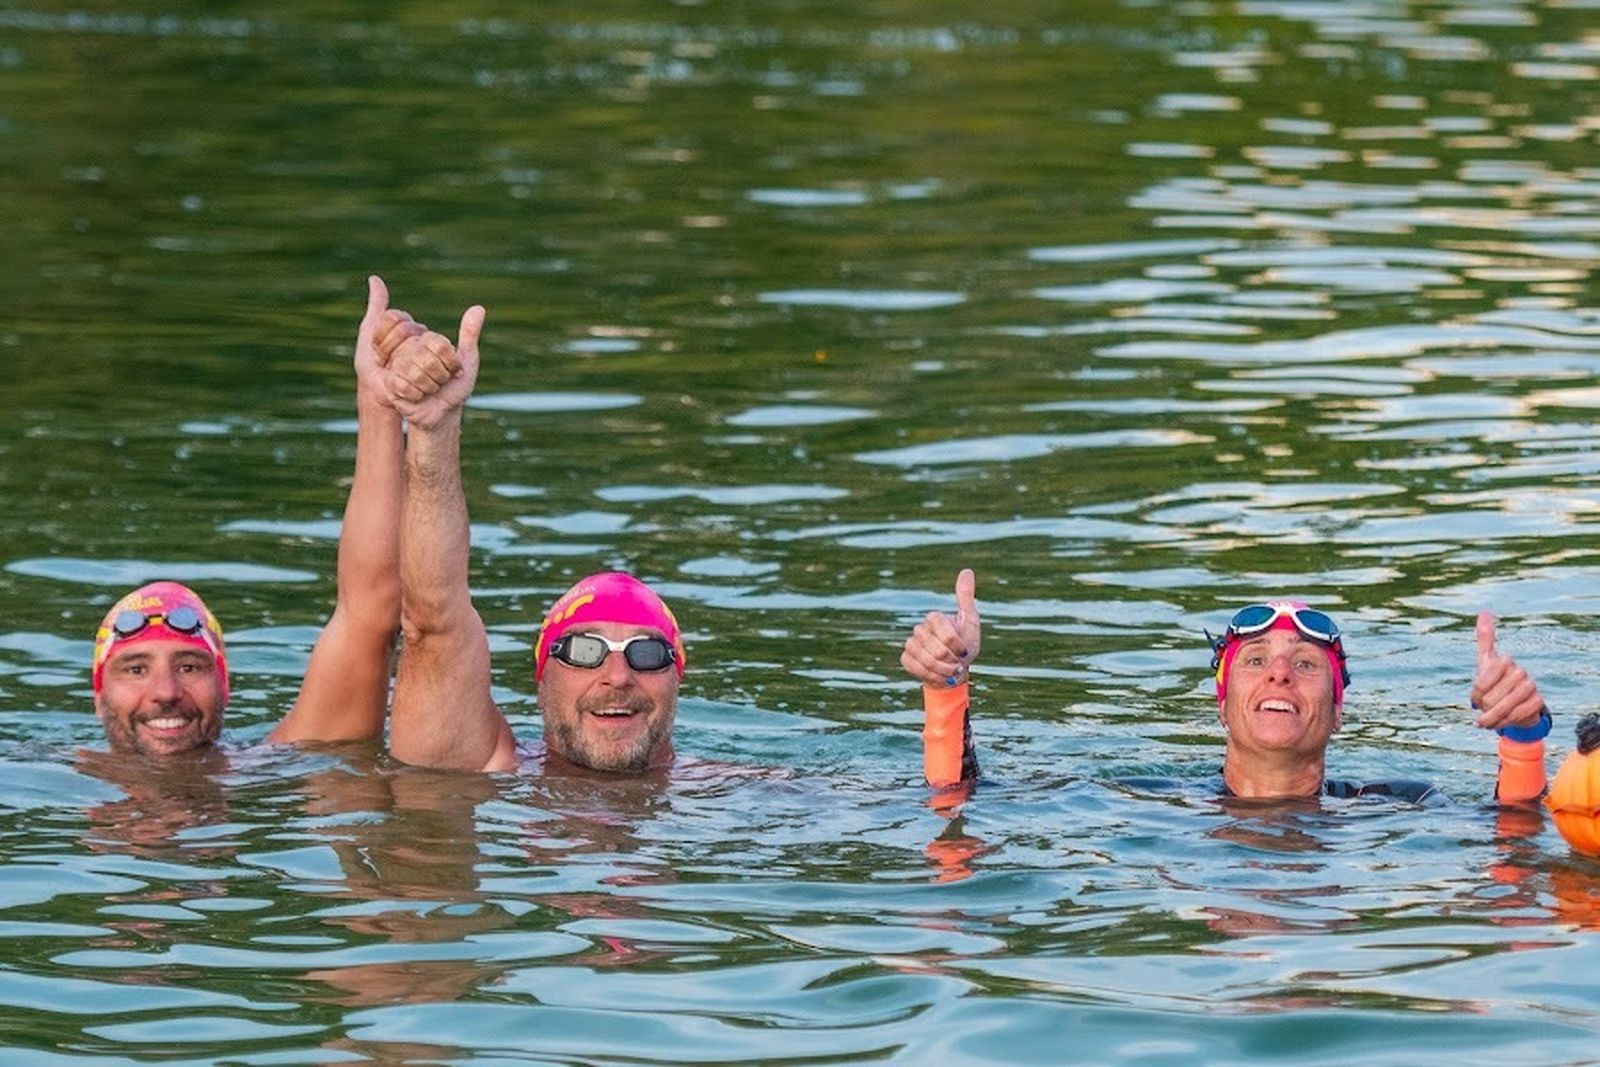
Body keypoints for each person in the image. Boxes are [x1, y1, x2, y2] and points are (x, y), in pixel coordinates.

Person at [89, 276, 426, 756]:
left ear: (225, 687)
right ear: (97, 697)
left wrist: (378, 405)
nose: (165, 692)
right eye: (135, 668)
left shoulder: (265, 771)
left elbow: (372, 611)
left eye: (189, 666)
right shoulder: (40, 777)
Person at [900, 571, 1551, 803]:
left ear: (1338, 713)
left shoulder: (1398, 807)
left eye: (1304, 664)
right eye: (1256, 659)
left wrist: (1521, 739)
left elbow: (1516, 841)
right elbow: (956, 803)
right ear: (1222, 706)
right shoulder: (1144, 802)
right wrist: (947, 688)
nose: (1278, 672)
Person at [373, 302, 685, 775]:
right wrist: (432, 430)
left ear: (678, 678)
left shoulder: (744, 793)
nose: (618, 677)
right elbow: (432, 618)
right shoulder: (491, 765)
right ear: (542, 678)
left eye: (648, 654)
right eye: (584, 652)